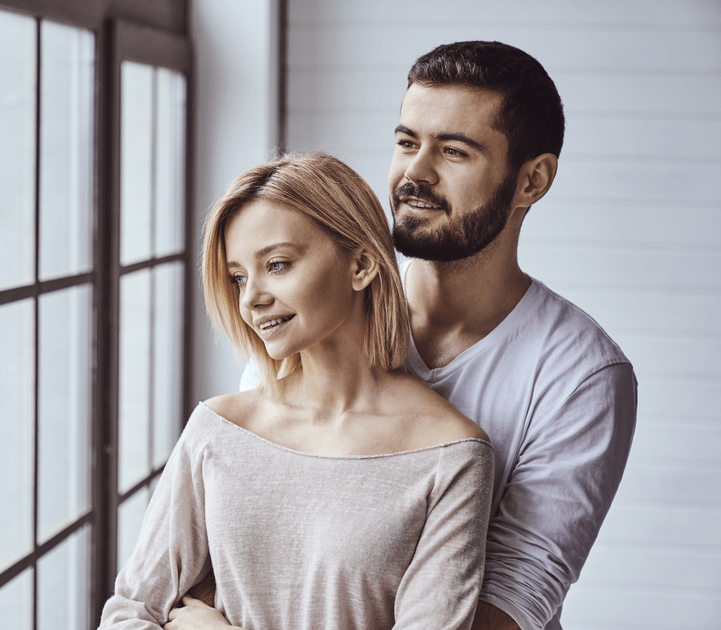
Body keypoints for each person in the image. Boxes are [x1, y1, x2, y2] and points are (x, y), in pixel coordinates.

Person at [187, 41, 637, 630]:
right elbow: (217, 550)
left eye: (453, 151)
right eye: (406, 142)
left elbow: (509, 605)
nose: (414, 174)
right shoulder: (312, 312)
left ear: (532, 180)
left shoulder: (581, 376)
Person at [98, 152, 494, 630]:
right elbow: (128, 614)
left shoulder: (450, 456)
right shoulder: (217, 430)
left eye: (278, 265)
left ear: (362, 264)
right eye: (238, 277)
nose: (251, 298)